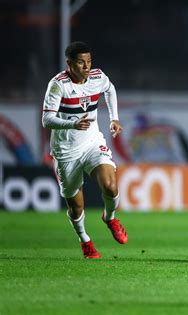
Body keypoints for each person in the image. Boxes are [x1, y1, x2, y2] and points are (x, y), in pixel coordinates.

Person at [42, 41, 128, 259]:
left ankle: (110, 218)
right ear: (69, 64)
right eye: (81, 62)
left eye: (89, 61)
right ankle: (85, 241)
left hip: (91, 143)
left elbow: (110, 89)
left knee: (110, 185)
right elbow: (47, 119)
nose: (87, 66)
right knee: (77, 206)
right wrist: (72, 124)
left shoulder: (98, 77)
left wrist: (114, 118)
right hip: (65, 151)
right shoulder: (58, 85)